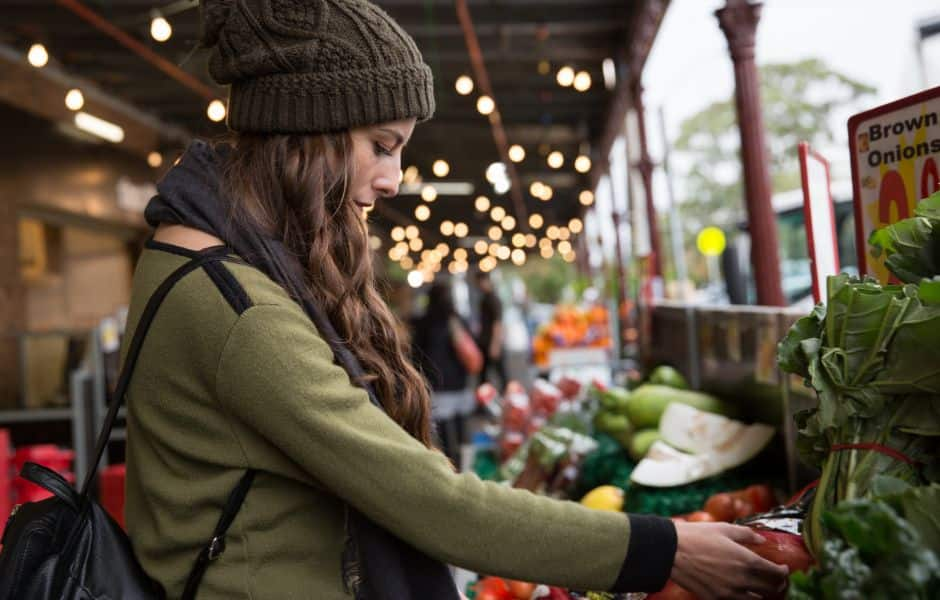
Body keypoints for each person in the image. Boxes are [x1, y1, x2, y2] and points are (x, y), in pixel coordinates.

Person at [121, 1, 789, 598]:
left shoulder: (197, 256)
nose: (392, 179)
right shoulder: (240, 307)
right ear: (308, 130)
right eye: (380, 146)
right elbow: (433, 505)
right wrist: (661, 549)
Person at [411, 281, 472, 465]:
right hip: (460, 381)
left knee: (443, 430)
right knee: (461, 425)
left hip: (437, 382)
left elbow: (416, 353)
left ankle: (450, 464)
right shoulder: (458, 319)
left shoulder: (424, 322)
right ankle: (465, 461)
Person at [475, 270, 508, 388]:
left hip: (492, 342)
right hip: (485, 342)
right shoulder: (484, 299)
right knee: (483, 376)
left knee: (501, 375)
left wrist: (495, 345)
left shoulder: (493, 299)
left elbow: (497, 323)